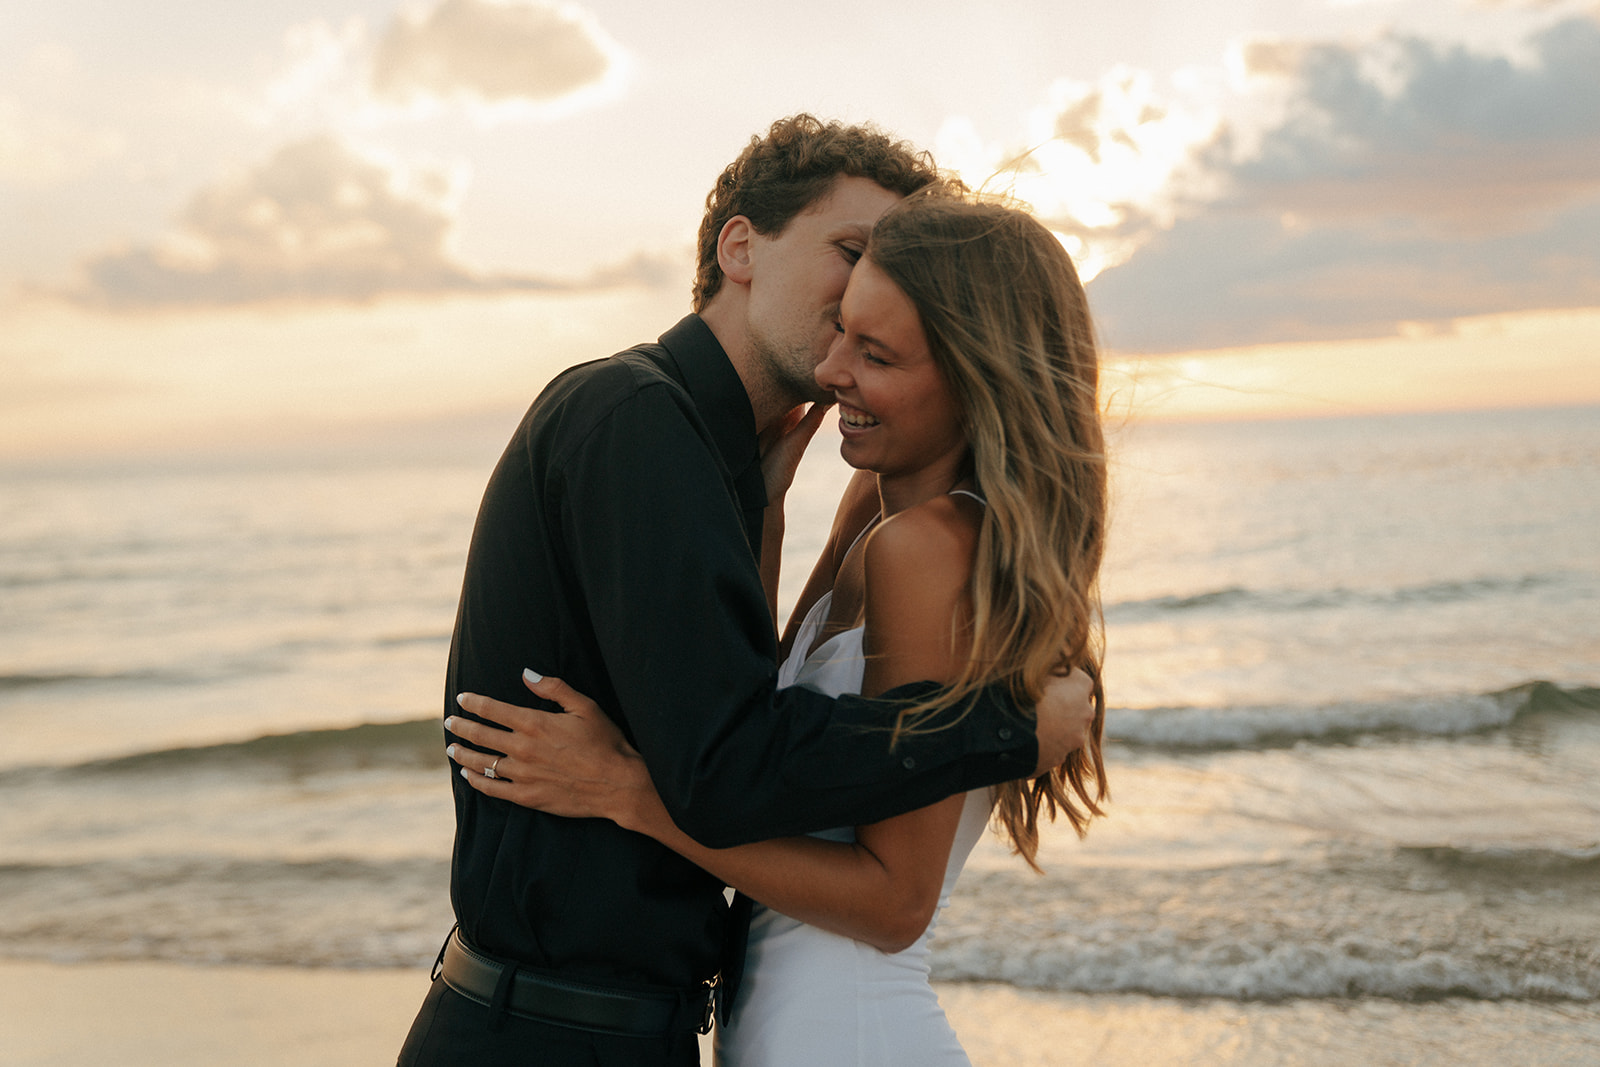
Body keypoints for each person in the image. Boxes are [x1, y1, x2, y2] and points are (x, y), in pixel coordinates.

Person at [397, 116, 1096, 1067]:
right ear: (739, 247)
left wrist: (627, 789)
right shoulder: (641, 421)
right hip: (554, 1035)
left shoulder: (815, 499)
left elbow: (736, 749)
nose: (858, 299)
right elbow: (735, 757)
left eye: (881, 325)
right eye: (850, 253)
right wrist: (1006, 727)